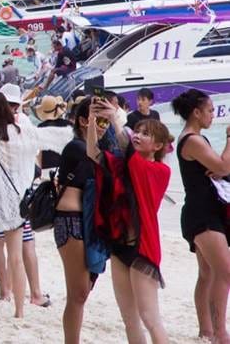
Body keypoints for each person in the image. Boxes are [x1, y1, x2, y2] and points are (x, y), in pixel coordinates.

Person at [0, 90, 72, 318]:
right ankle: (19, 311)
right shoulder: (22, 132)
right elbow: (60, 137)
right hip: (16, 202)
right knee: (16, 257)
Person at [86, 110, 172, 344]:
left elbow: (130, 154)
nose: (138, 135)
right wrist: (93, 121)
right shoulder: (126, 165)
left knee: (150, 317)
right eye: (138, 131)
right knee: (130, 319)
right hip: (120, 246)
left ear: (158, 145)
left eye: (146, 134)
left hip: (143, 249)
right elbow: (94, 154)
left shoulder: (159, 171)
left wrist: (114, 118)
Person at [172, 89, 230, 343]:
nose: (212, 117)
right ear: (196, 112)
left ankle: (206, 330)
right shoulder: (193, 140)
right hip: (202, 213)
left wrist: (219, 167)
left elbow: (219, 168)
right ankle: (219, 333)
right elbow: (223, 166)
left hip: (200, 210)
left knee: (207, 274)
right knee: (224, 272)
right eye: (209, 111)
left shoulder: (194, 140)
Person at [54, 97, 101, 344]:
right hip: (71, 219)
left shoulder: (96, 148)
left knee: (83, 291)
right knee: (79, 292)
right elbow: (99, 161)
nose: (104, 125)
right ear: (84, 121)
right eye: (98, 120)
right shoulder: (77, 147)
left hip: (88, 222)